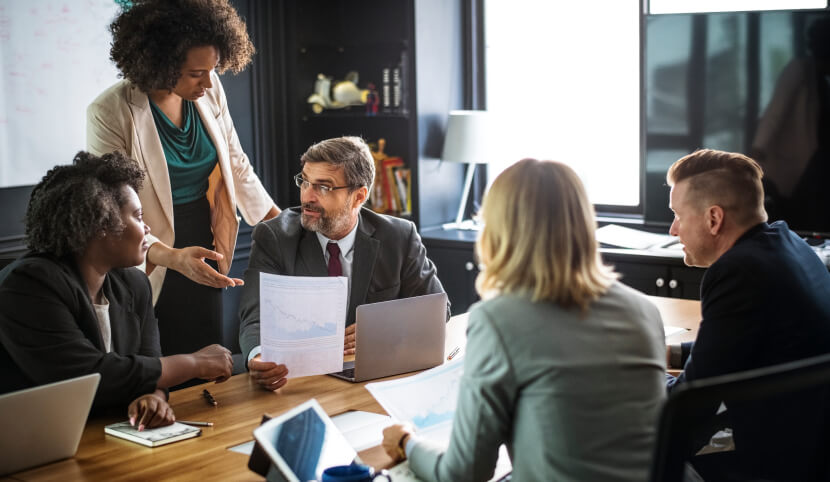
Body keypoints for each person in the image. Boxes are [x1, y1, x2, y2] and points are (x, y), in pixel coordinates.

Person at [381, 159, 666, 481]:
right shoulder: (643, 309)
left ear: (496, 231)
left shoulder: (498, 320)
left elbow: (463, 472)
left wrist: (408, 442)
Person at [87, 0, 280, 358]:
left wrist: (282, 226)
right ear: (160, 63)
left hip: (202, 237)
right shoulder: (109, 111)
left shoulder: (210, 87)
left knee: (205, 352)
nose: (208, 82)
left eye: (213, 69)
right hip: (144, 246)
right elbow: (111, 210)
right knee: (157, 357)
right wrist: (170, 257)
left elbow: (237, 164)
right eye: (195, 73)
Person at [0, 151, 233, 430]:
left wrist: (152, 397)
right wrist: (194, 363)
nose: (147, 228)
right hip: (34, 440)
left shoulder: (134, 284)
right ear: (100, 225)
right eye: (138, 216)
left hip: (106, 436)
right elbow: (89, 376)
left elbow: (148, 366)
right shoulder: (29, 284)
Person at [665, 148, 830, 480]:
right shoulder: (791, 245)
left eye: (678, 215)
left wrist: (638, 377)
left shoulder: (737, 272)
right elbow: (738, 346)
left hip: (759, 458)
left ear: (714, 218)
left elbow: (693, 401)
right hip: (805, 443)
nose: (673, 230)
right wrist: (672, 352)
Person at [238, 136, 447, 390]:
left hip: (375, 380)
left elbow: (437, 309)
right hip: (301, 382)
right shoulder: (275, 237)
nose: (308, 196)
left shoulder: (398, 237)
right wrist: (259, 356)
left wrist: (378, 331)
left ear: (358, 197)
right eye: (304, 181)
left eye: (323, 187)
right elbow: (255, 315)